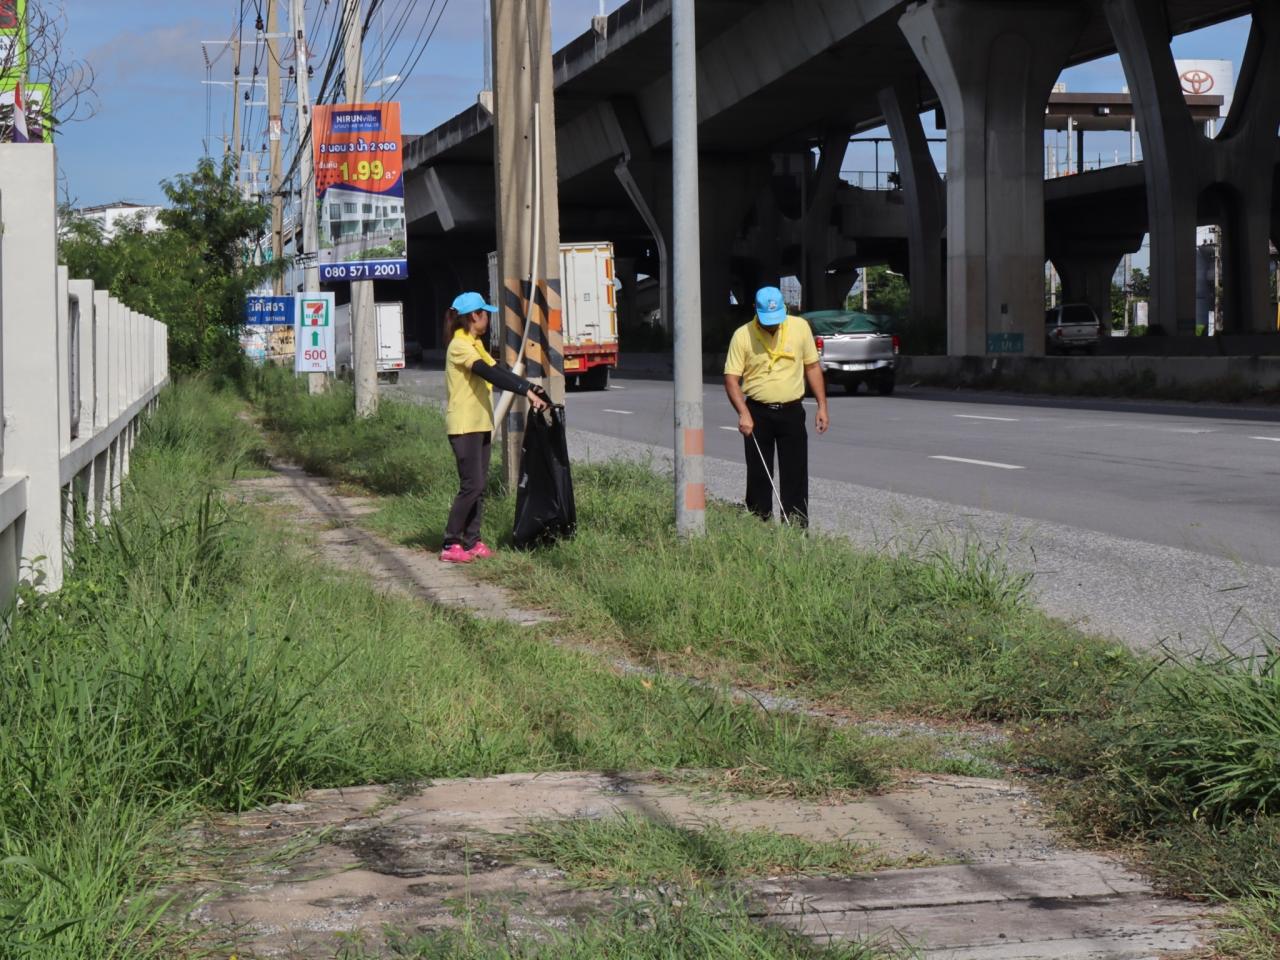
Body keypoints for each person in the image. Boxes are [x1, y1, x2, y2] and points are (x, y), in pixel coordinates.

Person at [442, 291, 548, 564]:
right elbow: (487, 373)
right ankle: (451, 542)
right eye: (484, 313)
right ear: (473, 316)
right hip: (464, 426)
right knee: (472, 485)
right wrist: (525, 390)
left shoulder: (475, 342)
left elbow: (499, 371)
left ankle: (472, 540)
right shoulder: (459, 345)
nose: (487, 318)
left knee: (480, 486)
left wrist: (529, 388)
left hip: (480, 424)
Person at [723, 285, 829, 525]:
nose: (772, 325)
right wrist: (743, 413)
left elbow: (812, 367)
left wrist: (822, 405)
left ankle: (796, 531)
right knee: (760, 475)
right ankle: (758, 527)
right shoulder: (743, 335)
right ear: (755, 311)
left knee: (796, 475)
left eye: (776, 319)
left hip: (792, 412)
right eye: (767, 320)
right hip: (757, 413)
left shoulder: (799, 327)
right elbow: (731, 379)